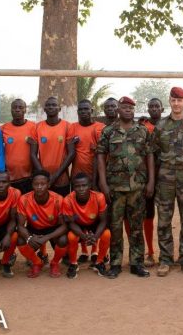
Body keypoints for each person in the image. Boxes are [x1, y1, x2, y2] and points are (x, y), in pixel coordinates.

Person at [97, 96, 155, 279]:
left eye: (131, 107)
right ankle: (115, 263)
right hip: (115, 187)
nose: (128, 110)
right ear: (118, 110)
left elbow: (150, 156)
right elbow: (100, 155)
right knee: (115, 227)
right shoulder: (108, 131)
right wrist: (103, 183)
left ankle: (136, 263)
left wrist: (151, 181)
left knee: (136, 226)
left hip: (138, 186)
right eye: (124, 107)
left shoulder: (143, 131)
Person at [151, 87, 183, 277]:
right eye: (173, 100)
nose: (176, 104)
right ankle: (165, 260)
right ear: (170, 101)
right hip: (165, 177)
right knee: (164, 220)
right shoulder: (161, 126)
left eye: (179, 100)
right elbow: (154, 152)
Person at [68, 99, 106, 264]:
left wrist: (96, 181)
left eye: (86, 109)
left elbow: (102, 154)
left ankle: (96, 249)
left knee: (95, 216)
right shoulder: (72, 127)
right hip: (77, 179)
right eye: (81, 109)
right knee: (79, 215)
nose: (84, 112)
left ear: (92, 110)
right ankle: (83, 250)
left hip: (95, 179)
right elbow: (70, 152)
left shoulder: (99, 128)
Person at [16, 170, 68, 278]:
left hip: (52, 228)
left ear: (48, 185)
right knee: (20, 240)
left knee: (63, 240)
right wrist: (29, 238)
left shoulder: (58, 200)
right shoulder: (24, 199)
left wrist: (47, 237)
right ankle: (37, 262)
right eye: (36, 184)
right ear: (32, 185)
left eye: (43, 184)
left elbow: (64, 226)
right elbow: (20, 226)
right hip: (34, 228)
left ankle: (54, 263)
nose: (39, 187)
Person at [62, 173, 110, 279]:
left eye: (84, 185)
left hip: (94, 223)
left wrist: (95, 237)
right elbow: (70, 223)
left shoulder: (99, 197)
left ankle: (99, 262)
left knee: (106, 234)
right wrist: (84, 237)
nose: (81, 189)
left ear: (90, 185)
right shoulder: (68, 200)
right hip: (78, 224)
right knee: (71, 236)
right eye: (77, 186)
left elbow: (103, 220)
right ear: (73, 187)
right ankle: (73, 263)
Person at [32, 96, 76, 197]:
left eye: (54, 105)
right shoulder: (37, 127)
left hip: (62, 178)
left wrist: (56, 175)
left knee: (61, 208)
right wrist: (44, 175)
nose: (51, 107)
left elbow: (71, 153)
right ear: (44, 109)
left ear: (59, 109)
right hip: (43, 180)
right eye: (48, 105)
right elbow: (33, 154)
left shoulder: (68, 126)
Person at [138, 97, 163, 267]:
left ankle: (168, 254)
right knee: (148, 215)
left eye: (157, 106)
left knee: (166, 217)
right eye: (151, 106)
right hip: (147, 178)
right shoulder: (142, 128)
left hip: (167, 177)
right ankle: (150, 252)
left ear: (162, 109)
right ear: (148, 109)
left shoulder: (168, 125)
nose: (154, 109)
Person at [0, 99, 38, 194]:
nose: (17, 110)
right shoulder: (3, 128)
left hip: (28, 178)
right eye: (14, 107)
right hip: (9, 179)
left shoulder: (34, 127)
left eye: (20, 107)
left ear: (25, 110)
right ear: (11, 110)